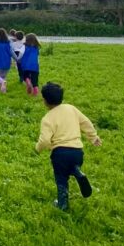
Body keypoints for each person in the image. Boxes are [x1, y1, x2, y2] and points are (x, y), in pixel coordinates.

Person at [36, 82, 102, 211]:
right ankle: (77, 172)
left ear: (45, 101)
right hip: (77, 152)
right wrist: (93, 137)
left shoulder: (47, 119)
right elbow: (86, 122)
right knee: (71, 166)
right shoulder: (71, 108)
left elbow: (44, 140)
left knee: (61, 178)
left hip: (60, 154)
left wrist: (38, 148)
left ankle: (63, 204)